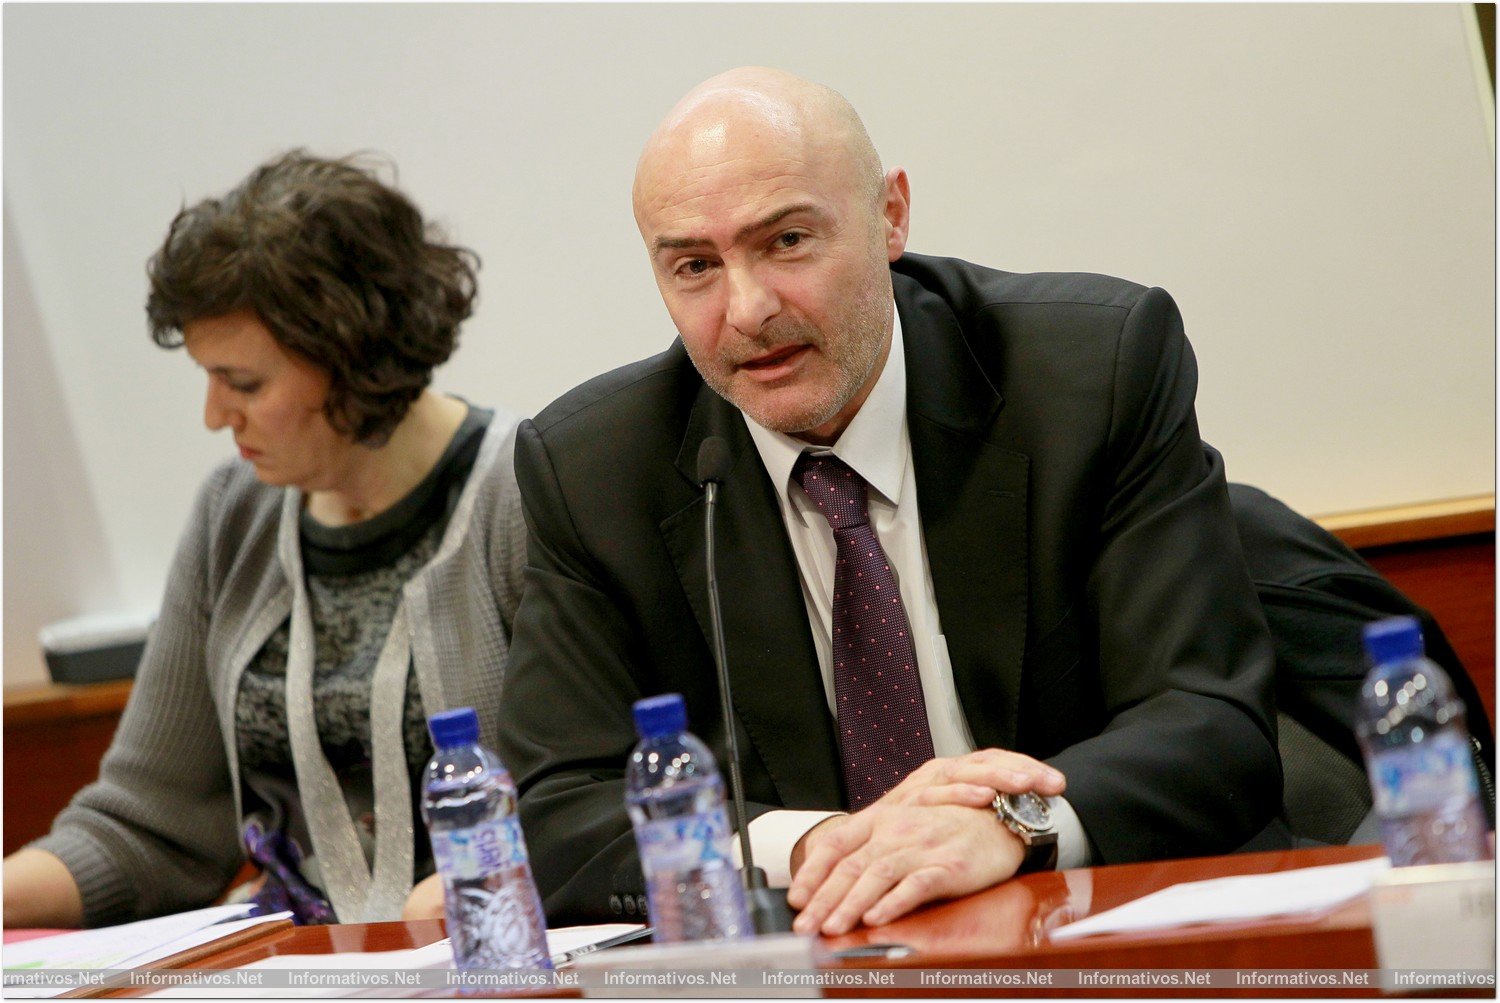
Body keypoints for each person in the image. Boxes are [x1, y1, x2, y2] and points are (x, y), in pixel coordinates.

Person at [496, 66, 1282, 937]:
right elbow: (555, 813)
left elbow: (1212, 720)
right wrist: (818, 847)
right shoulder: (594, 469)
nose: (748, 309)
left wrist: (1007, 826)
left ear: (890, 215)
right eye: (695, 266)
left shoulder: (1091, 373)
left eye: (788, 241)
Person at [2, 152, 526, 928]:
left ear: (352, 357)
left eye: (244, 384)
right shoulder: (233, 516)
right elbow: (147, 823)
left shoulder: (520, 492)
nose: (216, 415)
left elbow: (582, 795)